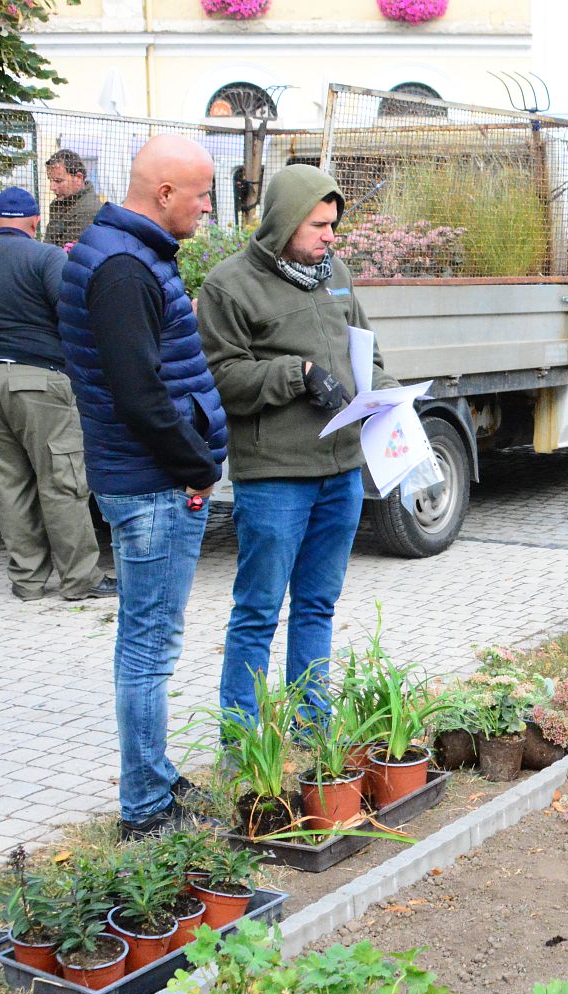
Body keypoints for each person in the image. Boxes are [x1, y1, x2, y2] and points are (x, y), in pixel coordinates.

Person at [59, 133, 228, 837]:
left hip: (151, 478)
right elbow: (138, 394)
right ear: (164, 195)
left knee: (148, 642)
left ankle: (155, 777)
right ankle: (145, 809)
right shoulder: (125, 269)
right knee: (148, 649)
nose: (210, 208)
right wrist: (194, 464)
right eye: (202, 195)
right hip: (155, 486)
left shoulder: (124, 253)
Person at [197, 164, 397, 724]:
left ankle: (313, 723)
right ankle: (245, 737)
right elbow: (221, 379)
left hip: (341, 473)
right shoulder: (228, 286)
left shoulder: (337, 275)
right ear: (284, 224)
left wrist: (385, 392)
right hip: (276, 478)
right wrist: (297, 373)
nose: (331, 237)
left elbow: (368, 352)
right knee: (258, 611)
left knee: (317, 605)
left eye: (333, 225)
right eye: (318, 226)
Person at [0, 187, 114, 602]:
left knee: (8, 483)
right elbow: (74, 314)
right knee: (62, 479)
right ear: (35, 221)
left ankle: (27, 580)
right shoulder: (46, 258)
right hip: (39, 379)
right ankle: (80, 578)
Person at [45, 149, 103, 248]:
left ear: (78, 178)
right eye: (50, 180)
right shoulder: (60, 203)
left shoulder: (89, 209)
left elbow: (65, 252)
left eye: (58, 181)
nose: (52, 187)